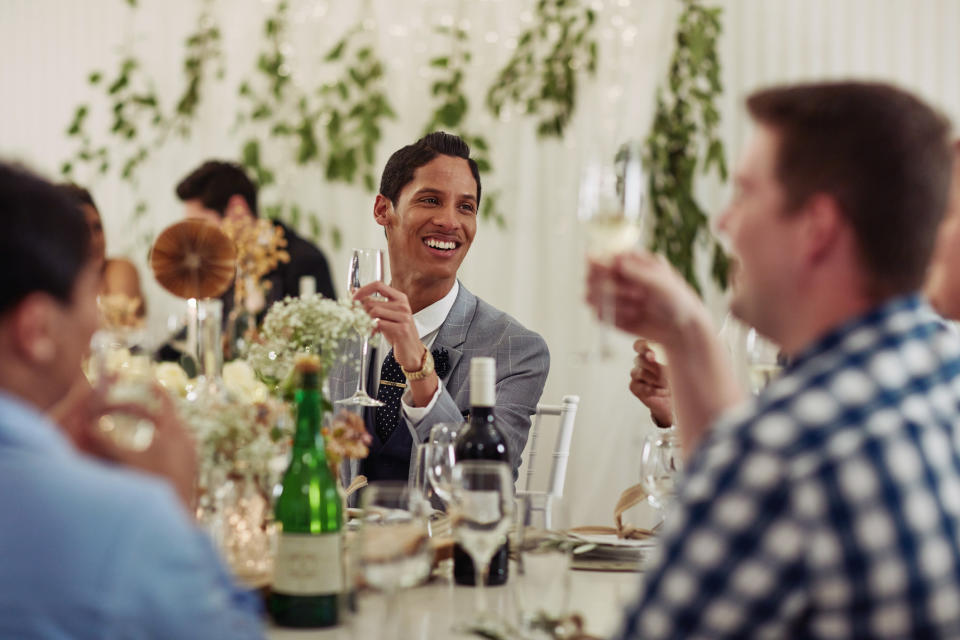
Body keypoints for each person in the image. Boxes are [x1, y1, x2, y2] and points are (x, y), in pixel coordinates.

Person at [588, 82, 960, 637]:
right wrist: (688, 336)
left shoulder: (783, 454)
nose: (723, 222)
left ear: (816, 227)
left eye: (744, 193)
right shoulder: (942, 369)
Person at [0, 162, 264, 639]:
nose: (97, 328)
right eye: (87, 303)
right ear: (36, 330)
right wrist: (173, 512)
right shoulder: (124, 526)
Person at [330, 132, 550, 484]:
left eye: (466, 207)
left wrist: (418, 366)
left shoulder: (514, 350)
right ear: (383, 210)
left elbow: (488, 481)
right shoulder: (333, 339)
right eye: (431, 200)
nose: (450, 221)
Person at [175, 160, 336, 315]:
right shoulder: (221, 267)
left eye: (201, 225)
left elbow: (319, 339)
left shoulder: (304, 261)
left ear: (237, 208)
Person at [59, 183, 145, 318]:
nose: (94, 240)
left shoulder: (120, 269)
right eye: (83, 231)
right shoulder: (49, 287)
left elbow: (120, 325)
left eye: (97, 228)